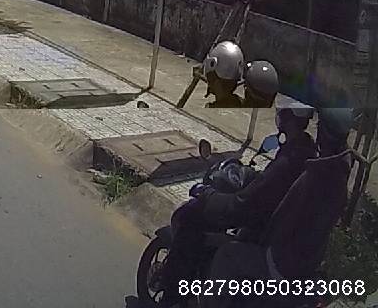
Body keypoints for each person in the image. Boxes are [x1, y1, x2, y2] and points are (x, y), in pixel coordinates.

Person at [152, 100, 317, 306]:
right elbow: (267, 185)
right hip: (278, 235)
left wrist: (209, 196)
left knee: (190, 219)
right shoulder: (305, 151)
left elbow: (243, 204)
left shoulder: (290, 160)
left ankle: (172, 298)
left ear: (286, 117)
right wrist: (253, 178)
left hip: (265, 235)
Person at [199, 108, 356, 308]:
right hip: (303, 260)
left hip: (284, 262)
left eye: (321, 127)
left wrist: (209, 196)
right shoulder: (330, 167)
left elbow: (265, 207)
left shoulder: (317, 173)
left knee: (228, 254)